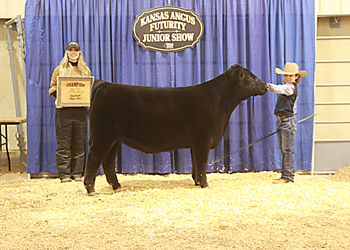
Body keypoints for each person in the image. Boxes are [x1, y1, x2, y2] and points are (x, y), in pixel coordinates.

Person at [49, 41, 92, 183]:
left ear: (79, 53)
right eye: (70, 50)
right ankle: (65, 174)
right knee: (64, 144)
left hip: (81, 111)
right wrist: (57, 97)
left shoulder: (85, 71)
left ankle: (77, 173)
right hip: (64, 112)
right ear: (66, 52)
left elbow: (89, 89)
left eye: (76, 50)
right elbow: (53, 87)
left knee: (79, 143)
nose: (73, 52)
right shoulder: (59, 70)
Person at [267, 62, 307, 184]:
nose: (288, 78)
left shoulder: (290, 88)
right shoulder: (288, 88)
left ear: (296, 77)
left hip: (287, 121)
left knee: (287, 150)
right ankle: (285, 175)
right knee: (284, 149)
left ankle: (288, 177)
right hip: (282, 121)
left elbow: (278, 88)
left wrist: (266, 86)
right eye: (286, 75)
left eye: (290, 75)